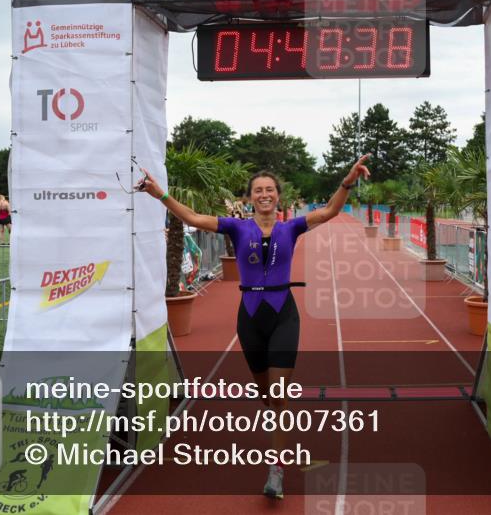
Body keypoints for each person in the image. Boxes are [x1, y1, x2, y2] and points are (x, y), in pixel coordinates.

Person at [136, 154, 371, 500]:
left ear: (278, 197)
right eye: (258, 190)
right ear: (250, 198)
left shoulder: (291, 227)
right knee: (268, 398)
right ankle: (278, 423)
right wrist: (159, 194)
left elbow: (330, 211)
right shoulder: (236, 227)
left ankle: (276, 469)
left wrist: (347, 180)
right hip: (249, 318)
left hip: (283, 315)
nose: (264, 194)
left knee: (277, 394)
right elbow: (193, 217)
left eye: (270, 189)